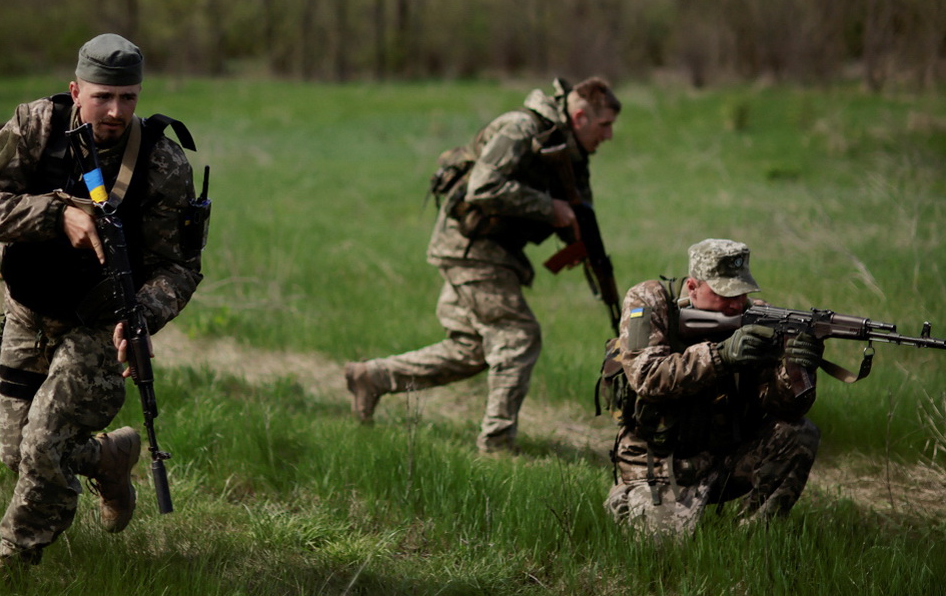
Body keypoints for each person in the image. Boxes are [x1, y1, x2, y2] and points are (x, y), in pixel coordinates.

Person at [0, 34, 204, 574]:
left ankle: (11, 570)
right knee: (17, 454)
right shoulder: (36, 129)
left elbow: (179, 266)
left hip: (98, 323)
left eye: (129, 98)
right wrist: (54, 214)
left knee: (44, 446)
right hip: (28, 311)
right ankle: (110, 459)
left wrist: (144, 314)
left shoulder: (162, 161)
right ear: (75, 91)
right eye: (102, 97)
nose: (115, 111)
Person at [344, 78, 621, 453]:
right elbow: (483, 188)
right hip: (471, 246)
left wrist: (577, 242)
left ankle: (371, 377)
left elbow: (574, 209)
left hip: (492, 251)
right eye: (604, 125)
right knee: (517, 336)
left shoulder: (571, 153)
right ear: (580, 115)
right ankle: (497, 446)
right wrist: (548, 209)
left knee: (472, 348)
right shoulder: (521, 128)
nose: (609, 136)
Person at [604, 239, 822, 539]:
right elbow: (647, 377)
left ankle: (753, 539)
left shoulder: (756, 318)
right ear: (693, 286)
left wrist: (798, 368)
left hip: (723, 460)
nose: (736, 303)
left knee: (798, 432)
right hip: (659, 468)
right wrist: (720, 355)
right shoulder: (648, 301)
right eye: (725, 294)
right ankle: (628, 501)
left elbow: (784, 409)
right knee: (662, 548)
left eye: (742, 293)